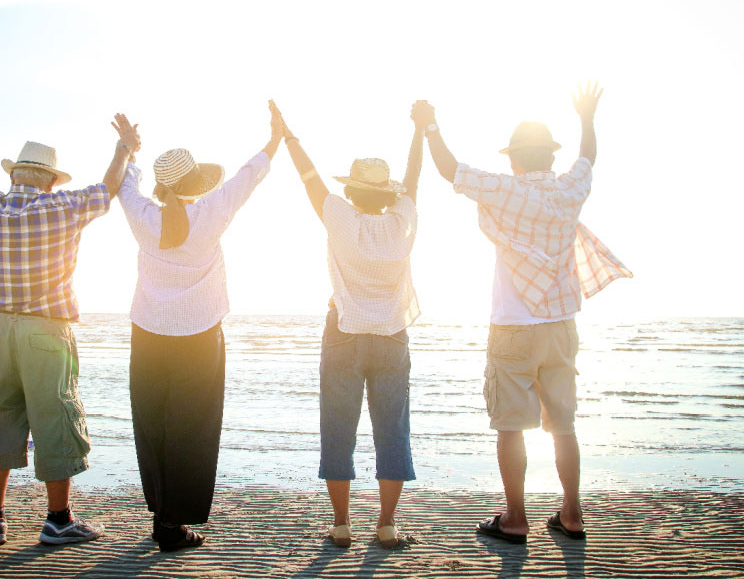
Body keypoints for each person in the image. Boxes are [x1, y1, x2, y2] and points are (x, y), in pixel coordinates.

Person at [419, 86, 631, 544]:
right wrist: (587, 117)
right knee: (564, 426)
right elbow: (588, 159)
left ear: (515, 160)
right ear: (550, 160)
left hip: (514, 327)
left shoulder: (506, 190)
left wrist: (431, 125)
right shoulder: (569, 190)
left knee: (511, 426)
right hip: (560, 327)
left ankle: (515, 519)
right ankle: (571, 514)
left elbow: (448, 169)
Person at [0, 107, 140, 546]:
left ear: (15, 175)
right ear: (52, 180)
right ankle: (58, 519)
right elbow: (108, 188)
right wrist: (123, 148)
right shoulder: (63, 206)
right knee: (55, 418)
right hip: (45, 331)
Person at [113, 104, 283, 552]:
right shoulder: (212, 211)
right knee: (193, 428)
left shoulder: (141, 213)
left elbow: (122, 183)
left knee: (152, 423)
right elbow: (251, 174)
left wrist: (129, 148)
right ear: (193, 184)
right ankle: (172, 522)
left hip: (148, 335)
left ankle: (160, 513)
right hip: (200, 337)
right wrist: (276, 138)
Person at [275, 100, 424, 549]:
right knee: (392, 429)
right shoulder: (403, 222)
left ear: (353, 193)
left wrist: (288, 137)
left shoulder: (339, 216)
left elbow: (309, 178)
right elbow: (414, 180)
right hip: (392, 336)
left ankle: (341, 524)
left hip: (343, 332)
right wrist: (419, 131)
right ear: (388, 196)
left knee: (338, 427)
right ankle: (387, 524)